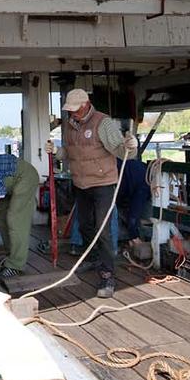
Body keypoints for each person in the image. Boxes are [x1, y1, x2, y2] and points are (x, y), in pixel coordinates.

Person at [45, 88, 137, 298]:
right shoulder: (69, 125)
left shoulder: (103, 123)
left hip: (103, 183)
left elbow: (122, 151)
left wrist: (131, 146)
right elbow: (69, 152)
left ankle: (107, 275)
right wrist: (57, 152)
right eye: (70, 110)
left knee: (102, 228)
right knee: (85, 225)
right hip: (81, 183)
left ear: (86, 104)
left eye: (75, 109)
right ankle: (96, 258)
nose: (72, 113)